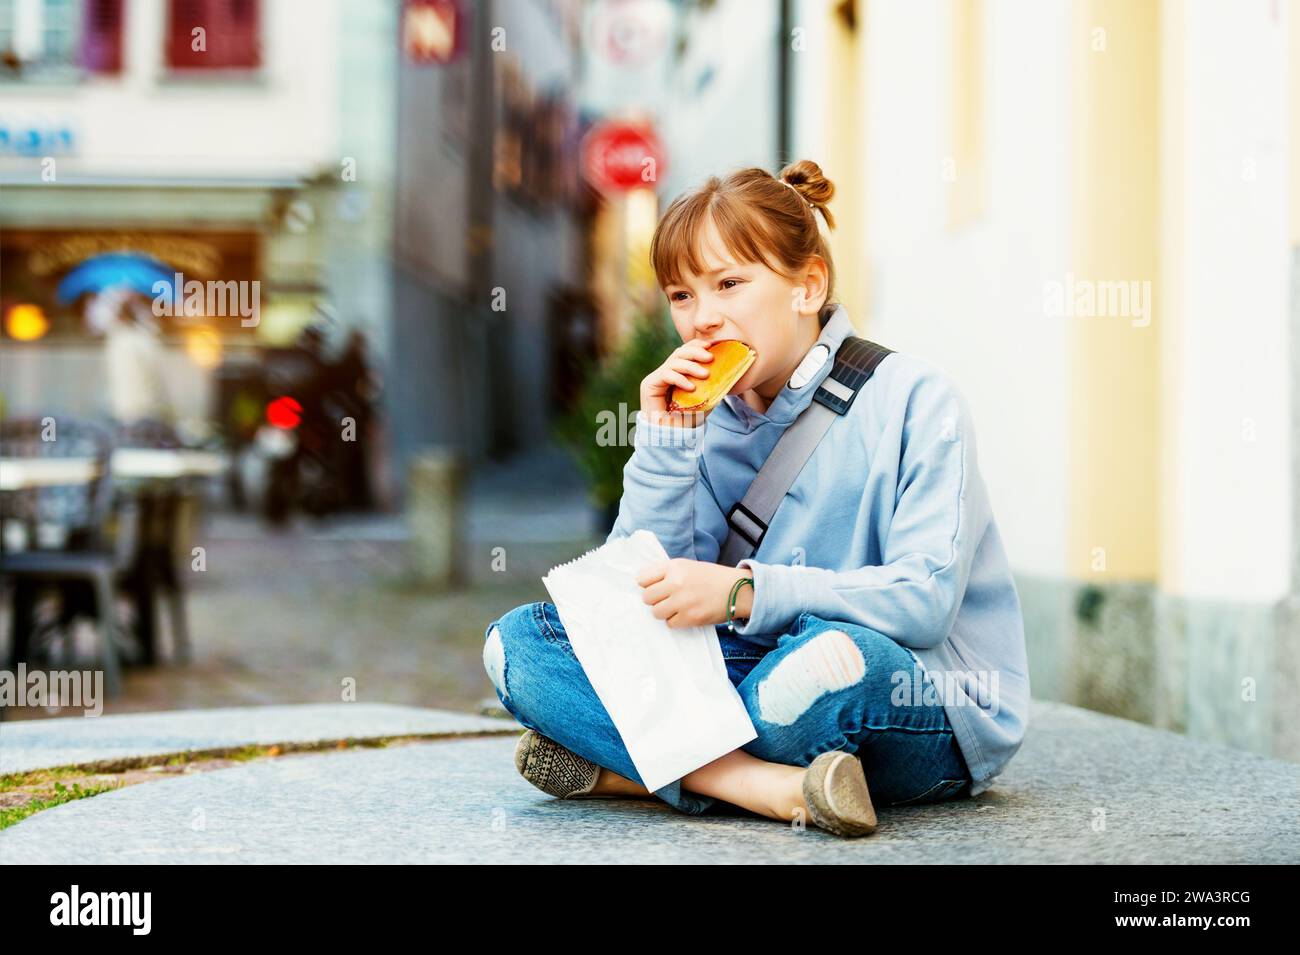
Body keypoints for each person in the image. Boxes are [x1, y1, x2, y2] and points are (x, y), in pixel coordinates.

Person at [483, 160, 1030, 837]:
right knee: (517, 645)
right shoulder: (702, 420)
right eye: (681, 295)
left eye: (730, 284)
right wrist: (664, 443)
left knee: (831, 661)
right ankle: (764, 785)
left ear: (808, 286)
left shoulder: (917, 400)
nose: (702, 318)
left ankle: (634, 768)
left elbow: (923, 602)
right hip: (754, 670)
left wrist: (744, 594)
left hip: (911, 690)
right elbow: (635, 601)